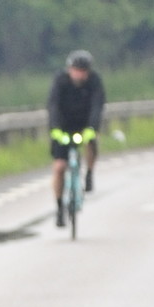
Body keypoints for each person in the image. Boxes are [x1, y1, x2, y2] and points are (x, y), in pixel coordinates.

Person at [48, 48, 106, 226]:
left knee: (91, 143)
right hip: (63, 126)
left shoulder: (94, 82)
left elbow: (97, 106)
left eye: (83, 71)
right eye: (76, 70)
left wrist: (92, 129)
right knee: (59, 167)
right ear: (69, 69)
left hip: (84, 124)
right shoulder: (60, 81)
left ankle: (89, 174)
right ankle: (59, 207)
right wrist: (55, 130)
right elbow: (53, 105)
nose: (79, 75)